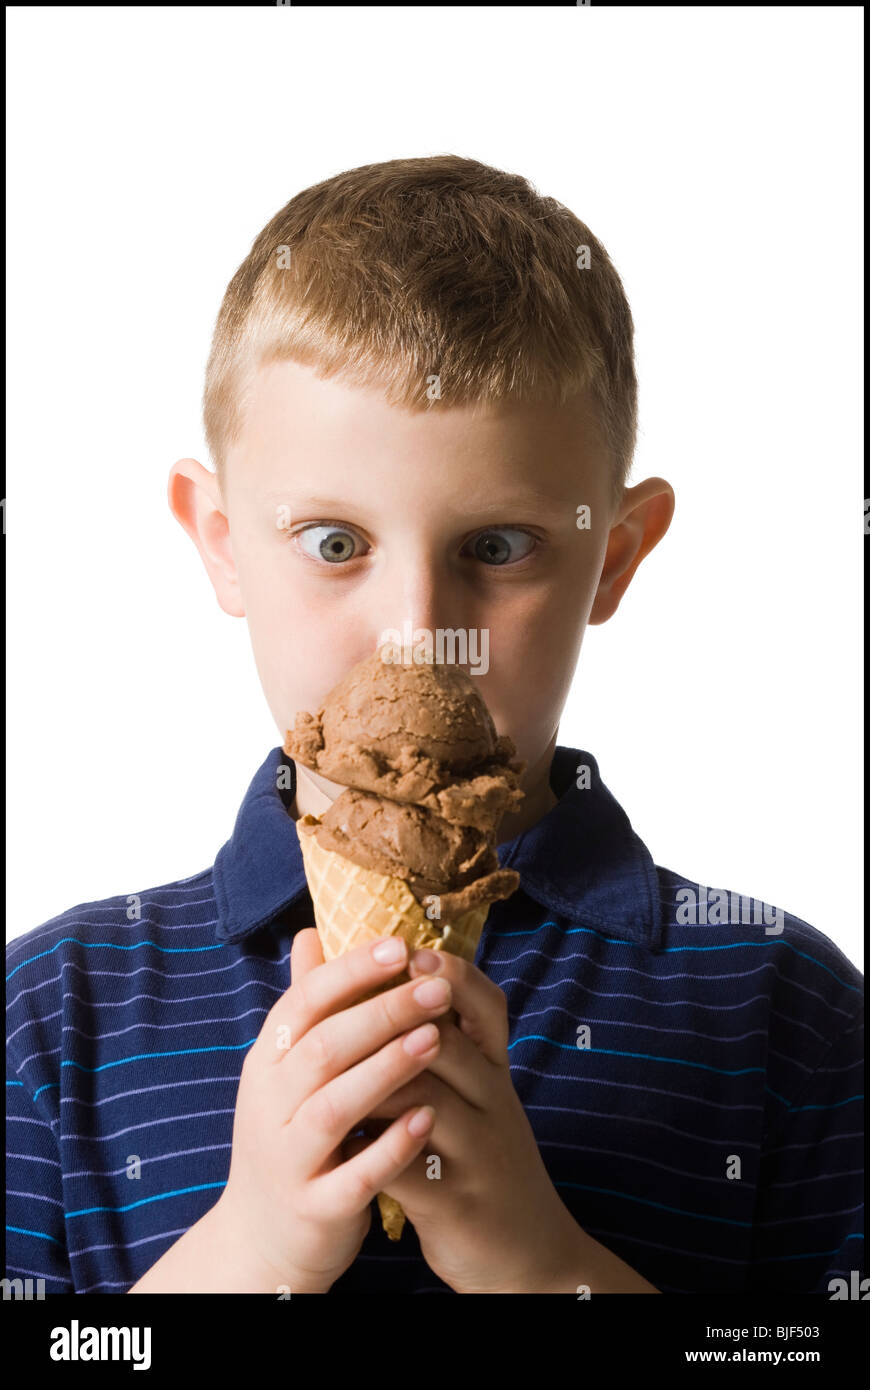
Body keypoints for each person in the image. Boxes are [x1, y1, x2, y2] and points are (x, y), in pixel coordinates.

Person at [6, 155, 863, 1295]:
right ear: (220, 539)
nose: (418, 635)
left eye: (498, 548)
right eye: (332, 542)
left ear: (613, 556)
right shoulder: (52, 1017)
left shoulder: (783, 1008)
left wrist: (539, 1265)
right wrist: (252, 1250)